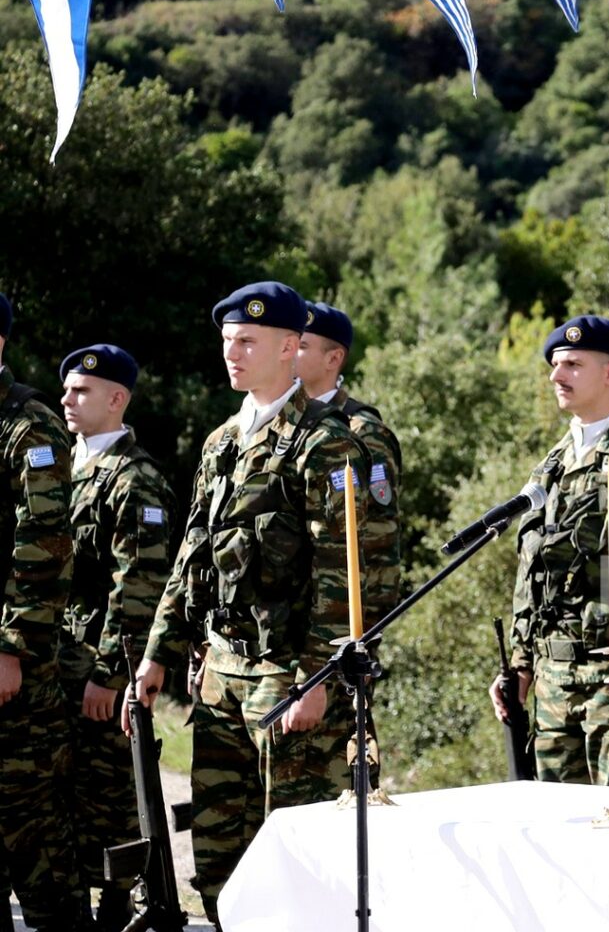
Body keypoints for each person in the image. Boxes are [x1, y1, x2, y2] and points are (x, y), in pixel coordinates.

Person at [128, 281, 368, 925]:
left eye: (248, 342)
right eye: (228, 341)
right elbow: (192, 555)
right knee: (219, 851)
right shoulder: (222, 442)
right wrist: (158, 654)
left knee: (295, 851)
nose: (232, 353)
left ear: (290, 347)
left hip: (287, 674)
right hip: (221, 673)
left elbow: (346, 573)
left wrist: (317, 677)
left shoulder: (328, 442)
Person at [487, 315, 609, 787]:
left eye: (573, 365)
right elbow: (531, 572)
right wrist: (521, 665)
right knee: (558, 822)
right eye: (555, 365)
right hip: (554, 681)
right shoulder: (552, 466)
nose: (556, 376)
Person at [58, 344, 174, 931]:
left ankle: (117, 904)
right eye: (66, 389)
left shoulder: (136, 479)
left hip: (99, 664)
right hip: (56, 657)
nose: (67, 399)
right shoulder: (62, 466)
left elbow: (139, 585)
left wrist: (107, 675)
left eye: (81, 391)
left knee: (108, 795)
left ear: (116, 399)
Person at [0, 293, 83, 931]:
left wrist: (11, 647)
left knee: (30, 832)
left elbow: (46, 543)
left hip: (14, 668)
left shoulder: (29, 426)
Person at [295, 301, 402, 792]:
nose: (289, 354)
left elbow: (374, 546)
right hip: (294, 628)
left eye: (301, 346)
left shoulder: (363, 433)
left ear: (333, 358)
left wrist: (356, 639)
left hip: (340, 633)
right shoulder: (287, 426)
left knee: (339, 772)